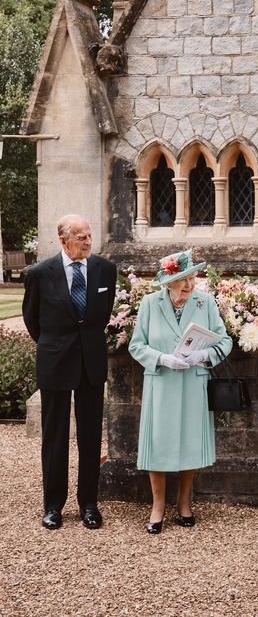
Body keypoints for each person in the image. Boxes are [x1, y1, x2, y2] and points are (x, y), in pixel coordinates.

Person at [22, 214, 117, 530]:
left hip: (91, 362)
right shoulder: (38, 274)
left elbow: (101, 317)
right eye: (81, 237)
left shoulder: (106, 270)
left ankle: (89, 504)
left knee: (91, 437)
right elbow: (32, 320)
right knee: (55, 436)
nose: (88, 241)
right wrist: (56, 346)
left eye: (89, 236)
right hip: (55, 361)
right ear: (63, 240)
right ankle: (53, 506)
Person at [128, 249, 232, 534]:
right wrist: (162, 359)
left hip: (192, 381)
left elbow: (224, 342)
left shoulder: (205, 302)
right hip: (161, 381)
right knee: (158, 444)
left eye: (193, 277)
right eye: (183, 279)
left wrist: (202, 357)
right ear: (168, 281)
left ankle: (184, 503)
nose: (189, 284)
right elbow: (136, 345)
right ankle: (158, 506)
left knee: (189, 442)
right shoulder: (150, 304)